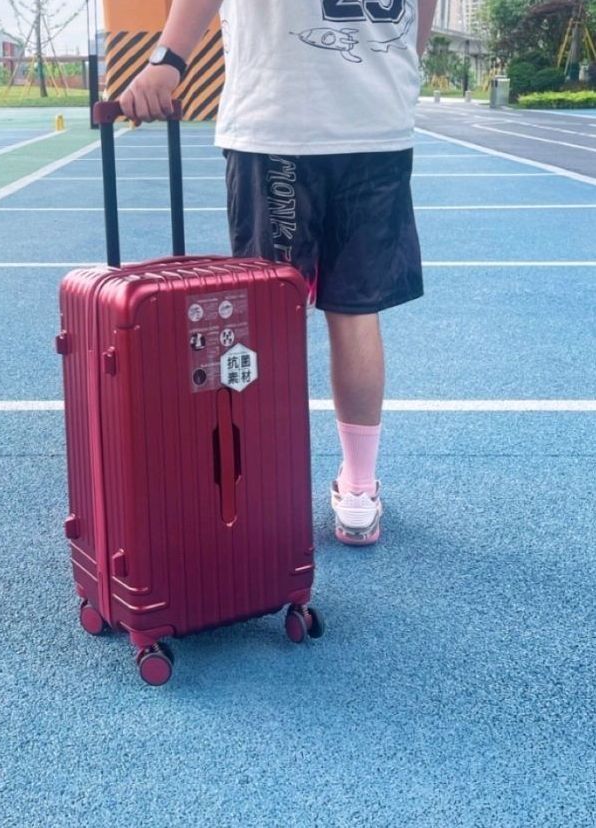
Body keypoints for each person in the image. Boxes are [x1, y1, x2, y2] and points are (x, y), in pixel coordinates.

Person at [121, 0, 438, 546]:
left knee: (263, 319)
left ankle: (261, 490)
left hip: (279, 111)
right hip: (377, 114)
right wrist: (405, 57)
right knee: (355, 313)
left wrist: (168, 59)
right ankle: (358, 489)